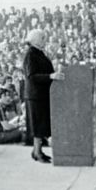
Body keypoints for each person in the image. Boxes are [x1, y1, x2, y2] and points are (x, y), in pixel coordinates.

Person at [23, 29, 64, 163]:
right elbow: (31, 76)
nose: (44, 40)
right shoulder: (30, 54)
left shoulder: (38, 53)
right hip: (35, 96)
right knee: (38, 125)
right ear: (34, 40)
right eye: (42, 38)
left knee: (41, 124)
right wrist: (51, 76)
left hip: (41, 95)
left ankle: (38, 151)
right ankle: (37, 152)